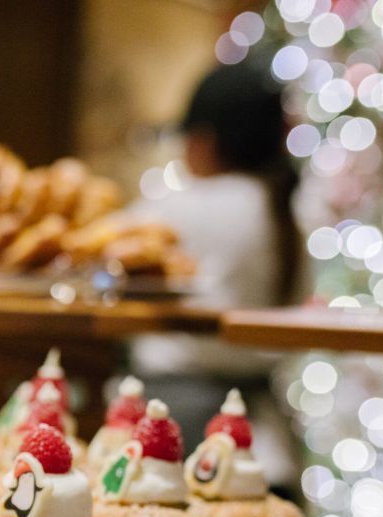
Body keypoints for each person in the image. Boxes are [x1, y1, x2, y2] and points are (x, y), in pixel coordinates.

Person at [128, 59, 299, 463]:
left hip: (176, 424)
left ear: (203, 141)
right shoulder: (290, 212)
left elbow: (96, 250)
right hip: (267, 437)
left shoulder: (183, 206)